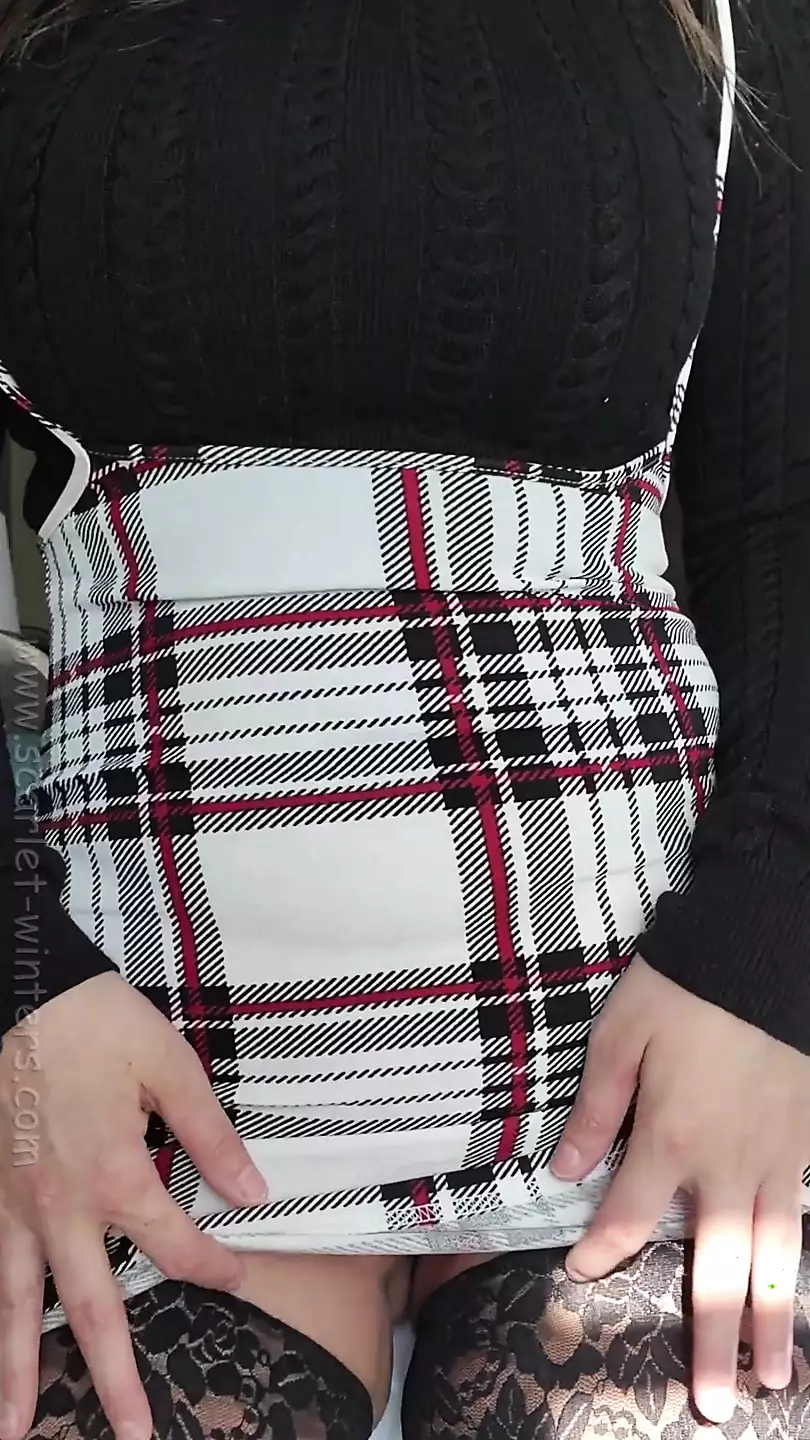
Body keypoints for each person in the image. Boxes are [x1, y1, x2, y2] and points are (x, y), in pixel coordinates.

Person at [0, 0, 809, 1436]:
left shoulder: (734, 23)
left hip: (648, 1063)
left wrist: (771, 957)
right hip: (118, 1082)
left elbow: (785, 511)